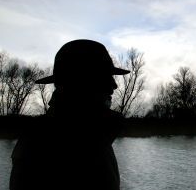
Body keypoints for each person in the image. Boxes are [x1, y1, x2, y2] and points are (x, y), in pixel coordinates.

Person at [10, 39, 130, 190]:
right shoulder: (43, 144)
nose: (114, 85)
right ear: (81, 81)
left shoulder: (96, 135)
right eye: (105, 77)